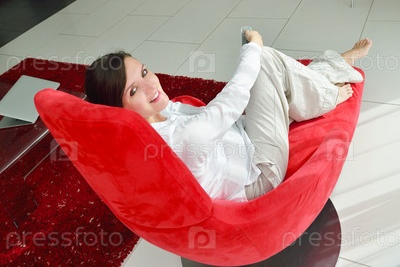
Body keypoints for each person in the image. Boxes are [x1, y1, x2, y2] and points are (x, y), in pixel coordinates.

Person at [85, 31, 371, 202]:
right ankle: (329, 93)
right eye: (134, 90)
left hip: (242, 138)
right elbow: (232, 100)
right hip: (261, 173)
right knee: (264, 59)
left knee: (275, 73)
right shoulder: (177, 139)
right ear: (117, 109)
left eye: (145, 72)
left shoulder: (154, 117)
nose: (151, 86)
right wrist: (252, 47)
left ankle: (332, 67)